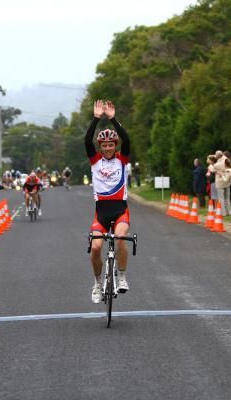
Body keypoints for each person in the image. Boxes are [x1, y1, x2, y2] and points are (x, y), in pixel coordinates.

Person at [85, 100, 132, 303]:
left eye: (110, 144)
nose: (107, 148)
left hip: (120, 210)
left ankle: (121, 277)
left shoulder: (122, 160)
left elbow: (127, 139)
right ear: (100, 147)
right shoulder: (95, 161)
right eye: (103, 145)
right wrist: (96, 119)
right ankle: (97, 284)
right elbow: (87, 141)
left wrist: (112, 119)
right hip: (101, 213)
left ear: (115, 145)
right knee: (95, 248)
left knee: (120, 238)